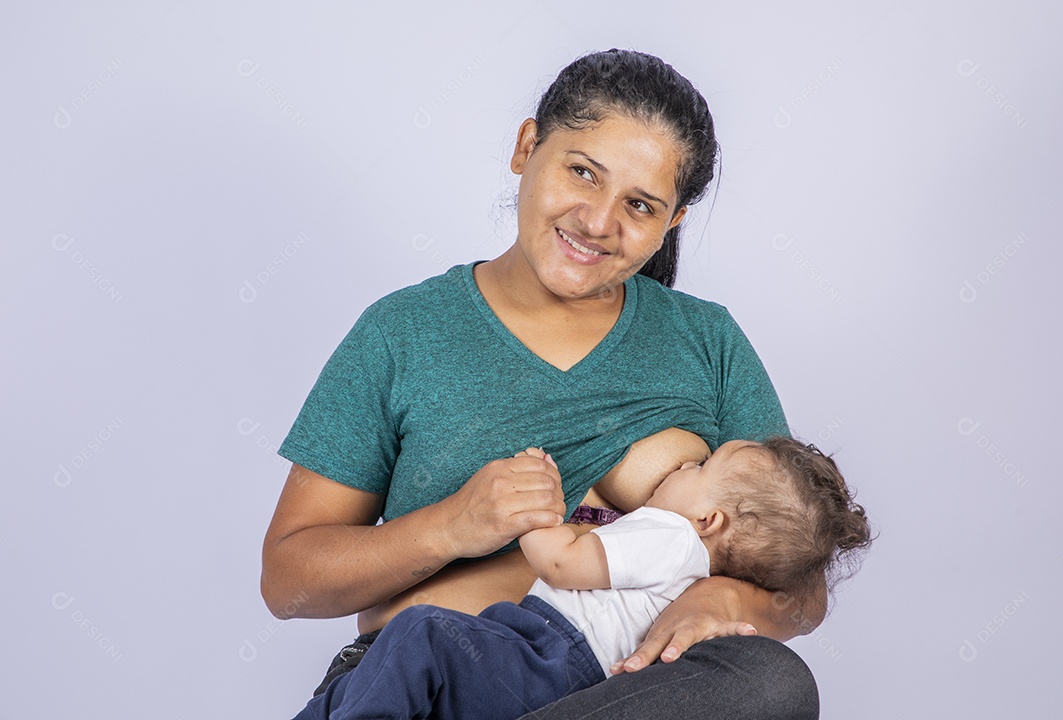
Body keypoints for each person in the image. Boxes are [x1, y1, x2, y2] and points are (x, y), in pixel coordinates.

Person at [263, 48, 829, 719]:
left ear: (672, 220)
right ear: (527, 146)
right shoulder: (403, 332)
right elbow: (288, 582)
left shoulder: (707, 342)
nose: (597, 222)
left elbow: (801, 575)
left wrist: (733, 599)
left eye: (641, 205)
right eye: (583, 172)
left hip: (625, 691)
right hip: (432, 685)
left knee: (773, 682)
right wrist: (451, 526)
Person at [287, 438, 872, 720]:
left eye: (700, 466)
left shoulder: (670, 536)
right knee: (389, 663)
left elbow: (564, 563)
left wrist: (536, 507)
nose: (689, 465)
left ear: (710, 520)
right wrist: (451, 524)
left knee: (423, 634)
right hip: (542, 670)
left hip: (545, 656)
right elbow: (286, 579)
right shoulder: (682, 542)